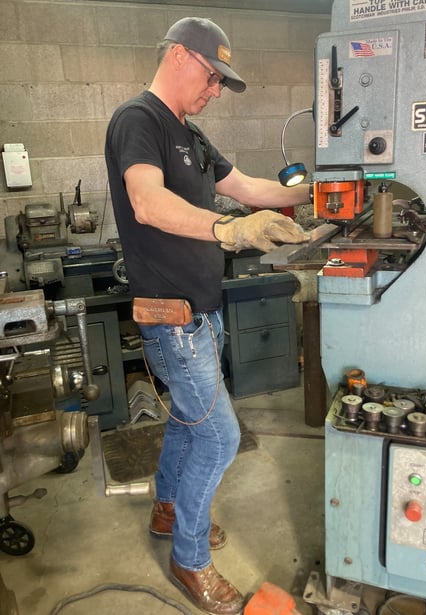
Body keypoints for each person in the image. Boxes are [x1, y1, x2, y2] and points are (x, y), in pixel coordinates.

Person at [105, 16, 310, 615]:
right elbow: (146, 202)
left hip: (204, 315)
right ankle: (189, 560)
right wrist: (227, 228)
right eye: (213, 75)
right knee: (220, 438)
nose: (217, 89)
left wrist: (318, 192)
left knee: (189, 426)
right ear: (178, 56)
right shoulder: (137, 121)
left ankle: (168, 509)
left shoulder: (191, 136)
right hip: (172, 319)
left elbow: (246, 185)